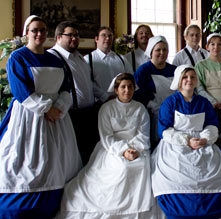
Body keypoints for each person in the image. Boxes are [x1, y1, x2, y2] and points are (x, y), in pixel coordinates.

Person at [0, 16, 82, 218]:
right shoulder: (18, 57)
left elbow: (66, 89)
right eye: (35, 30)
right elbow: (21, 91)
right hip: (29, 117)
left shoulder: (55, 59)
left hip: (57, 119)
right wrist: (47, 109)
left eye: (43, 30)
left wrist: (60, 108)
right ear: (27, 32)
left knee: (58, 161)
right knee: (28, 160)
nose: (39, 34)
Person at [55, 73, 161, 219]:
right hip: (112, 148)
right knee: (122, 168)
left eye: (130, 87)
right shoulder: (106, 108)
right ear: (116, 89)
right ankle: (117, 206)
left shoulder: (140, 108)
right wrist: (123, 151)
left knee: (141, 166)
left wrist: (134, 150)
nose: (127, 90)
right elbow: (106, 136)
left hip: (138, 148)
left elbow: (143, 135)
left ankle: (137, 207)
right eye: (123, 87)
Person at [151, 64, 221, 219]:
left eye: (192, 77)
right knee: (177, 175)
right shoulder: (170, 103)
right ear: (178, 80)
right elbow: (164, 130)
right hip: (176, 144)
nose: (189, 80)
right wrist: (186, 140)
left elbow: (212, 125)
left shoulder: (204, 102)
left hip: (201, 142)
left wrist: (204, 139)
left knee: (212, 170)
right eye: (185, 77)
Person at [48, 21, 107, 165]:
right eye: (70, 35)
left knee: (89, 154)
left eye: (77, 35)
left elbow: (88, 84)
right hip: (70, 115)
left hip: (89, 113)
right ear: (59, 37)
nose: (74, 38)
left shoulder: (79, 58)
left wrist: (105, 96)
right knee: (72, 157)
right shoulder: (52, 57)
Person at [134, 35, 177, 148]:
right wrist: (154, 106)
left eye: (165, 49)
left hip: (175, 111)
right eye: (158, 50)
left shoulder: (174, 69)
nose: (162, 52)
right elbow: (138, 95)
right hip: (154, 113)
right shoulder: (143, 71)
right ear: (151, 52)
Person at [84, 27, 132, 99]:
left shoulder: (122, 58)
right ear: (96, 39)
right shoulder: (88, 59)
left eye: (110, 36)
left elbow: (131, 77)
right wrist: (105, 96)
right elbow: (88, 83)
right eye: (103, 35)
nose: (107, 38)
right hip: (99, 103)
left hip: (121, 101)